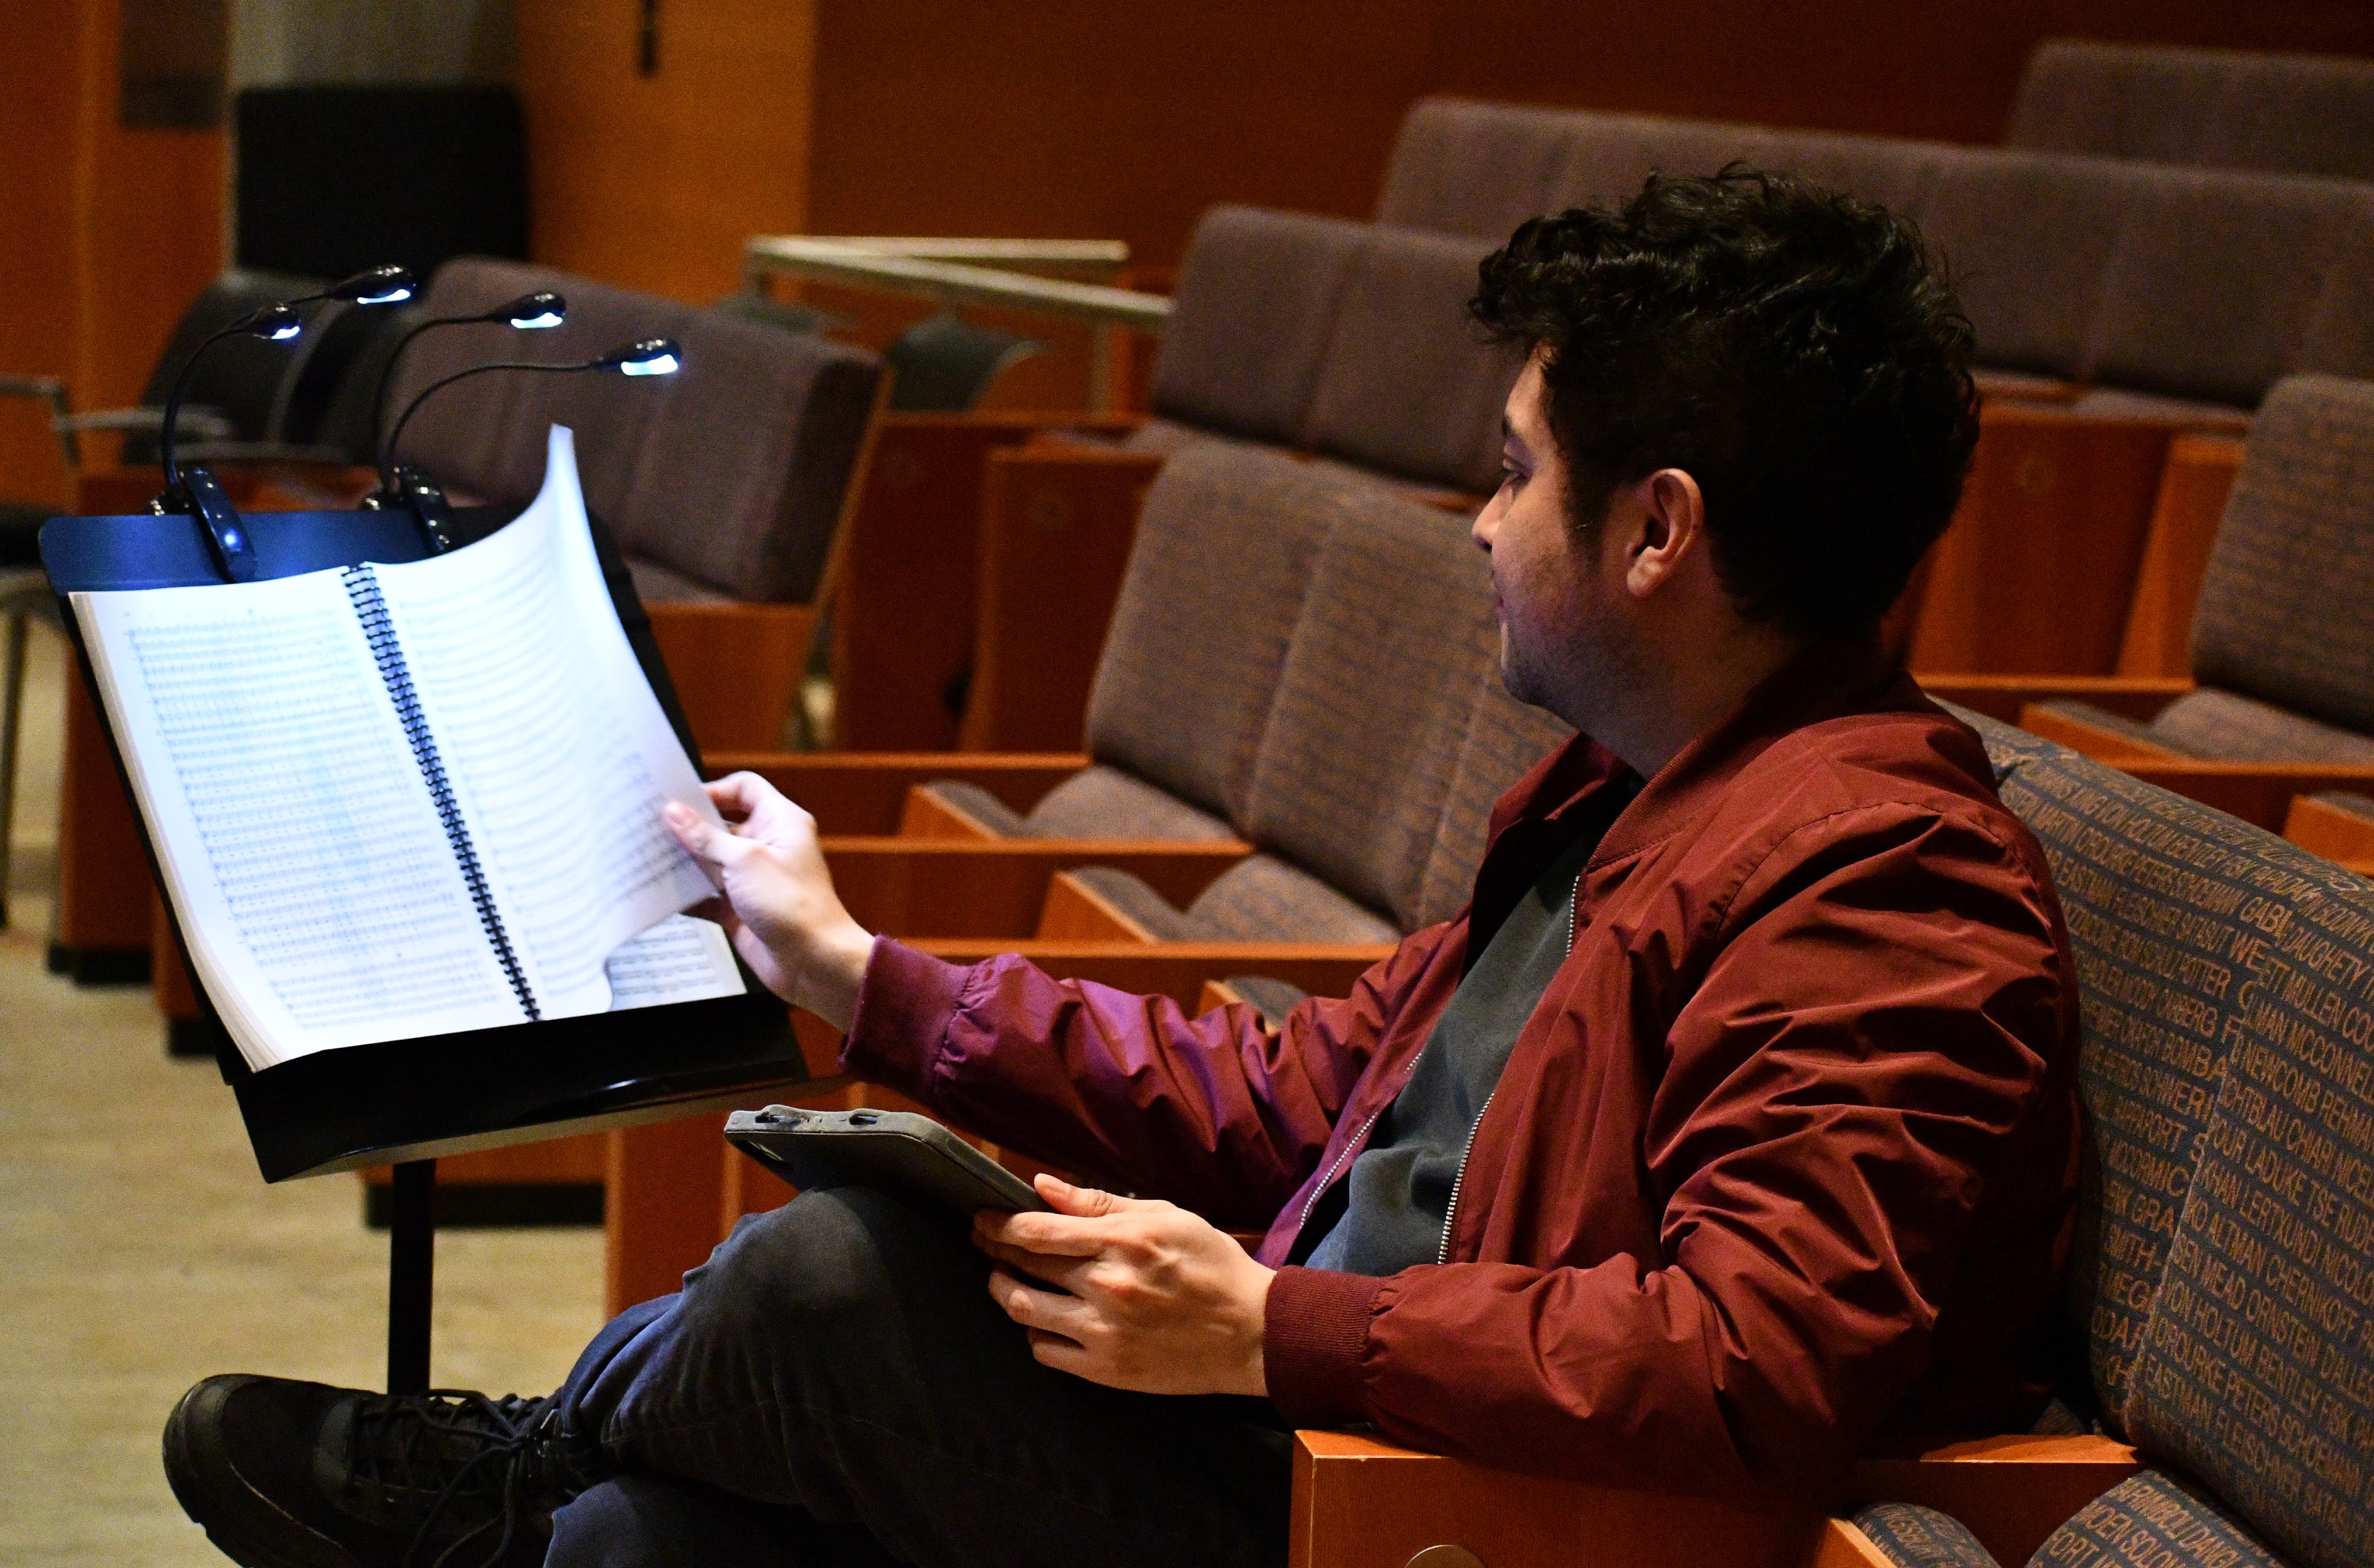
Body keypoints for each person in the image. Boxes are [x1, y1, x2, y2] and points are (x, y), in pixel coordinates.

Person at [161, 167, 2080, 1568]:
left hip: (1411, 1515)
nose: (1477, 521)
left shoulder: (1885, 879)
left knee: (825, 1287)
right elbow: (1296, 1094)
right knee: (636, 1551)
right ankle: (527, 1505)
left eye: (1512, 469)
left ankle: (488, 1482)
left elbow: (1760, 1355)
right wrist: (863, 978)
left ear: (1658, 530)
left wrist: (1268, 1327)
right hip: (1305, 1422)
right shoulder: (1627, 792)